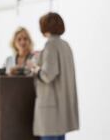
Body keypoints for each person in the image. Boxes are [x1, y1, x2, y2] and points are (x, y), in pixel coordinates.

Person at [28, 12, 79, 140]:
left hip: (50, 109)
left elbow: (47, 75)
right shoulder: (65, 45)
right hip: (61, 108)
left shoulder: (51, 45)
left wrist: (34, 67)